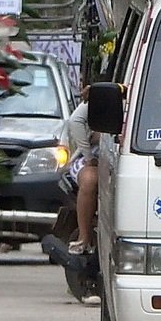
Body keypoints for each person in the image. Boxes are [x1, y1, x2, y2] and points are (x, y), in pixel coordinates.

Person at [67, 85, 99, 256]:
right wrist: (88, 156)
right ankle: (84, 237)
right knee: (89, 179)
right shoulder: (109, 93)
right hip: (95, 158)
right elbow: (76, 120)